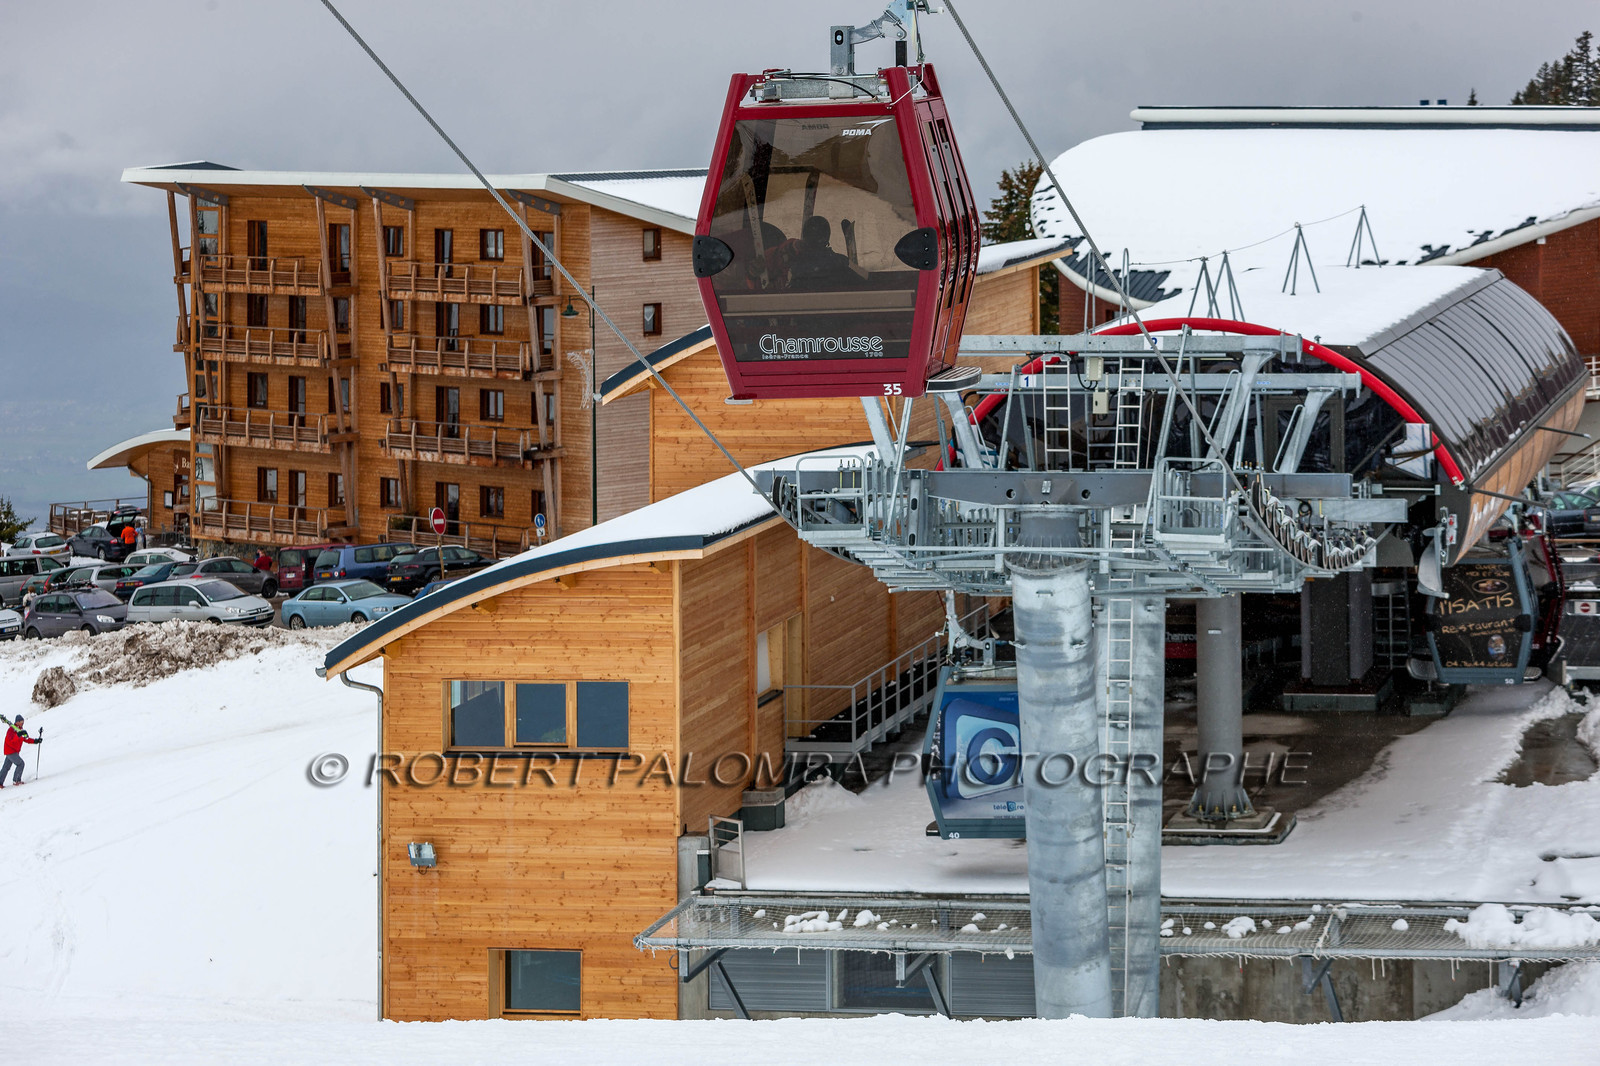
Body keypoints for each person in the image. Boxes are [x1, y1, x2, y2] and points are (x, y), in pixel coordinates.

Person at [2, 715, 40, 787]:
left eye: (23, 721)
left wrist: (36, 741)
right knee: (20, 764)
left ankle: (0, 783)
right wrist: (18, 735)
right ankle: (16, 780)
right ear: (17, 722)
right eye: (21, 721)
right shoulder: (11, 730)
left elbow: (26, 739)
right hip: (10, 751)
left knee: (6, 767)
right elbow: (10, 741)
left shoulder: (21, 730)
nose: (23, 722)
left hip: (14, 751)